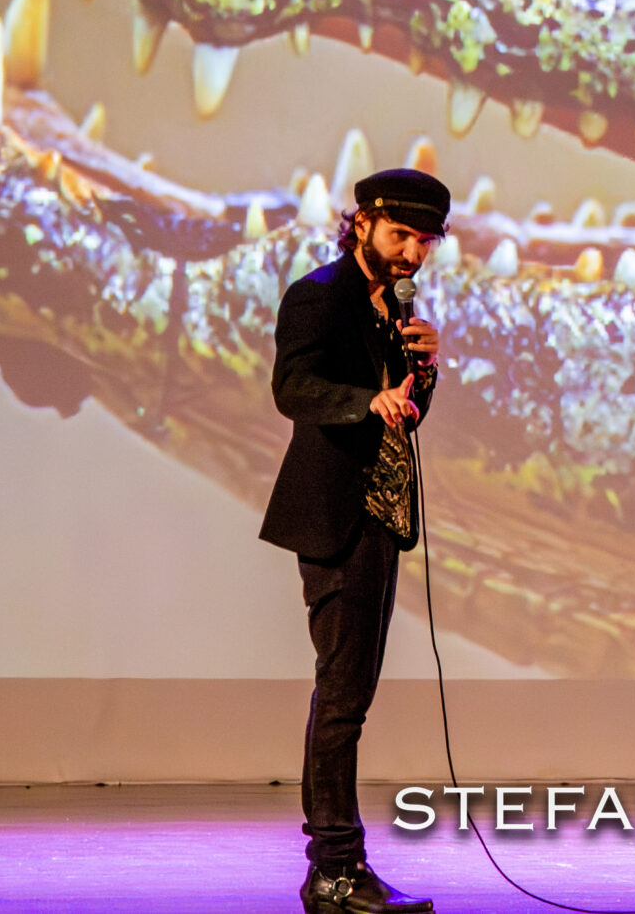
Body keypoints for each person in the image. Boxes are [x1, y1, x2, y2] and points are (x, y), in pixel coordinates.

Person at [260, 166, 452, 914]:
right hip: (335, 515)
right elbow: (293, 387)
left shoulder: (392, 311)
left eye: (425, 240)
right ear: (363, 221)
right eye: (401, 234)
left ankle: (346, 867)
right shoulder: (320, 294)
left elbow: (406, 413)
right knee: (340, 696)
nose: (413, 253)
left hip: (380, 517)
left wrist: (422, 372)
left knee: (353, 696)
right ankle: (333, 870)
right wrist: (363, 399)